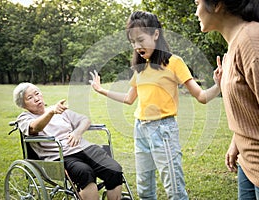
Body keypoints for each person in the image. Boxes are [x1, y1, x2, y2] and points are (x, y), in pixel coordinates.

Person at [89, 11, 222, 200]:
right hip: (140, 130)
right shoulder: (141, 68)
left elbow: (201, 96)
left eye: (141, 40)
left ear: (156, 34)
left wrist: (218, 85)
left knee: (174, 189)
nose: (137, 46)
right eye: (133, 42)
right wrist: (101, 90)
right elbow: (129, 99)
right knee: (144, 189)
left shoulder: (174, 62)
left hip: (163, 131)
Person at [194, 0, 259, 199]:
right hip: (248, 164)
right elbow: (249, 105)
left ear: (217, 5)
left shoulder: (254, 40)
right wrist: (236, 143)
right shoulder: (234, 44)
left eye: (197, 3)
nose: (196, 12)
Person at [13, 82, 123, 200]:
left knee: (114, 170)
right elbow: (36, 127)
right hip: (62, 156)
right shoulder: (25, 118)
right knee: (85, 173)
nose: (36, 99)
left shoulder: (59, 110)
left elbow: (85, 120)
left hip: (84, 148)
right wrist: (51, 112)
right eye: (30, 98)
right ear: (23, 105)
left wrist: (77, 132)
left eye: (37, 93)